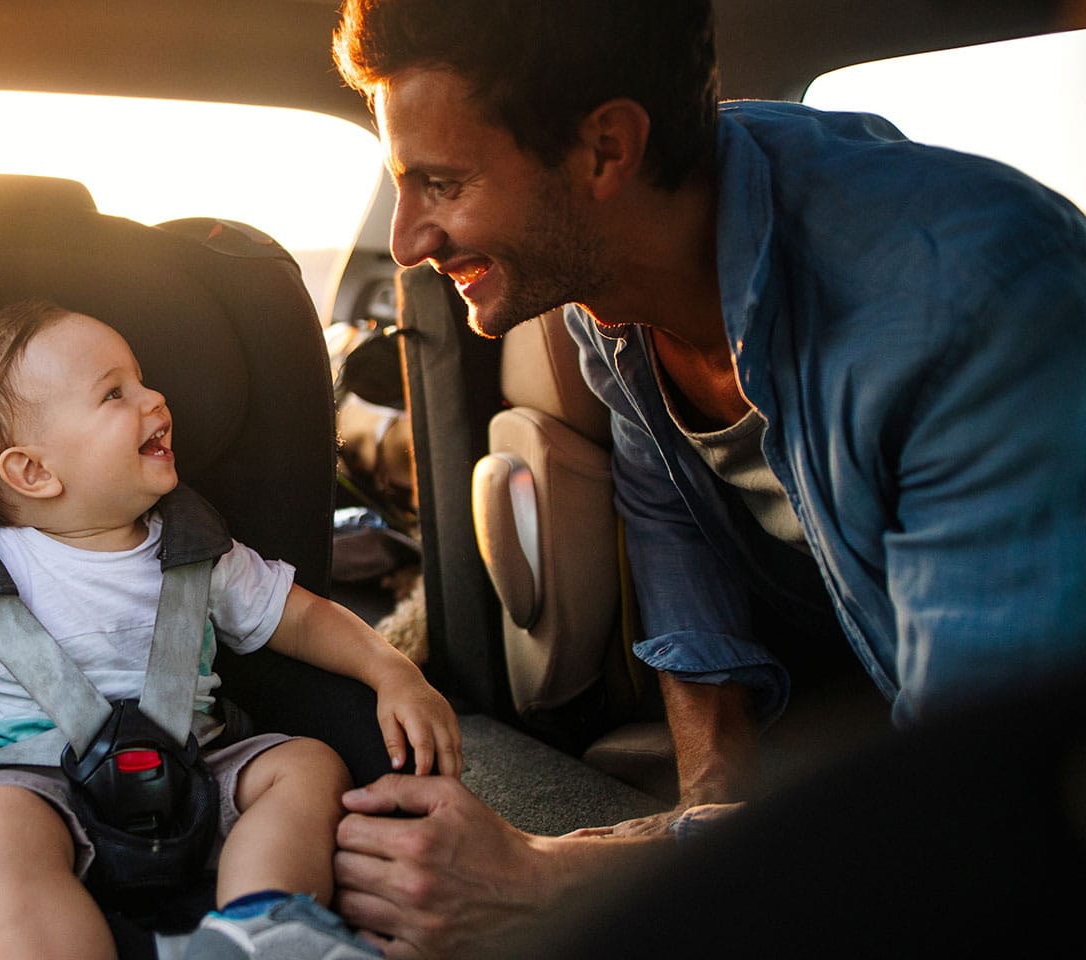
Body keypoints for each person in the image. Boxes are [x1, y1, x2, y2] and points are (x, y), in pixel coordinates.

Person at [325, 0, 1086, 955]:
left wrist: (551, 881)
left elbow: (983, 809)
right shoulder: (605, 295)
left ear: (607, 149)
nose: (407, 241)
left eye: (441, 182)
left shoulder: (967, 304)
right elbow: (674, 535)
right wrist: (706, 814)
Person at [0, 300, 460, 960]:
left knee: (307, 766)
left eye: (143, 380)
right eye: (114, 394)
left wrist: (392, 670)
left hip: (197, 776)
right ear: (33, 471)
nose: (154, 399)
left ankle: (261, 924)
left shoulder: (198, 549)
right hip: (33, 784)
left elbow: (302, 617)